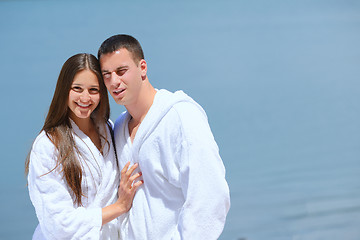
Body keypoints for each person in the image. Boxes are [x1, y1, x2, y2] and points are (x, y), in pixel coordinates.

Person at [98, 34, 230, 240]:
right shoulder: (119, 129)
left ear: (142, 68)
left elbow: (210, 197)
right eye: (106, 74)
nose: (114, 81)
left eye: (121, 71)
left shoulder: (181, 117)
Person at [25, 53, 143, 240]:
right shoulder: (47, 145)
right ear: (64, 90)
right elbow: (58, 223)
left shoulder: (107, 130)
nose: (85, 98)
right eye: (77, 88)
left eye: (94, 90)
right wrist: (120, 206)